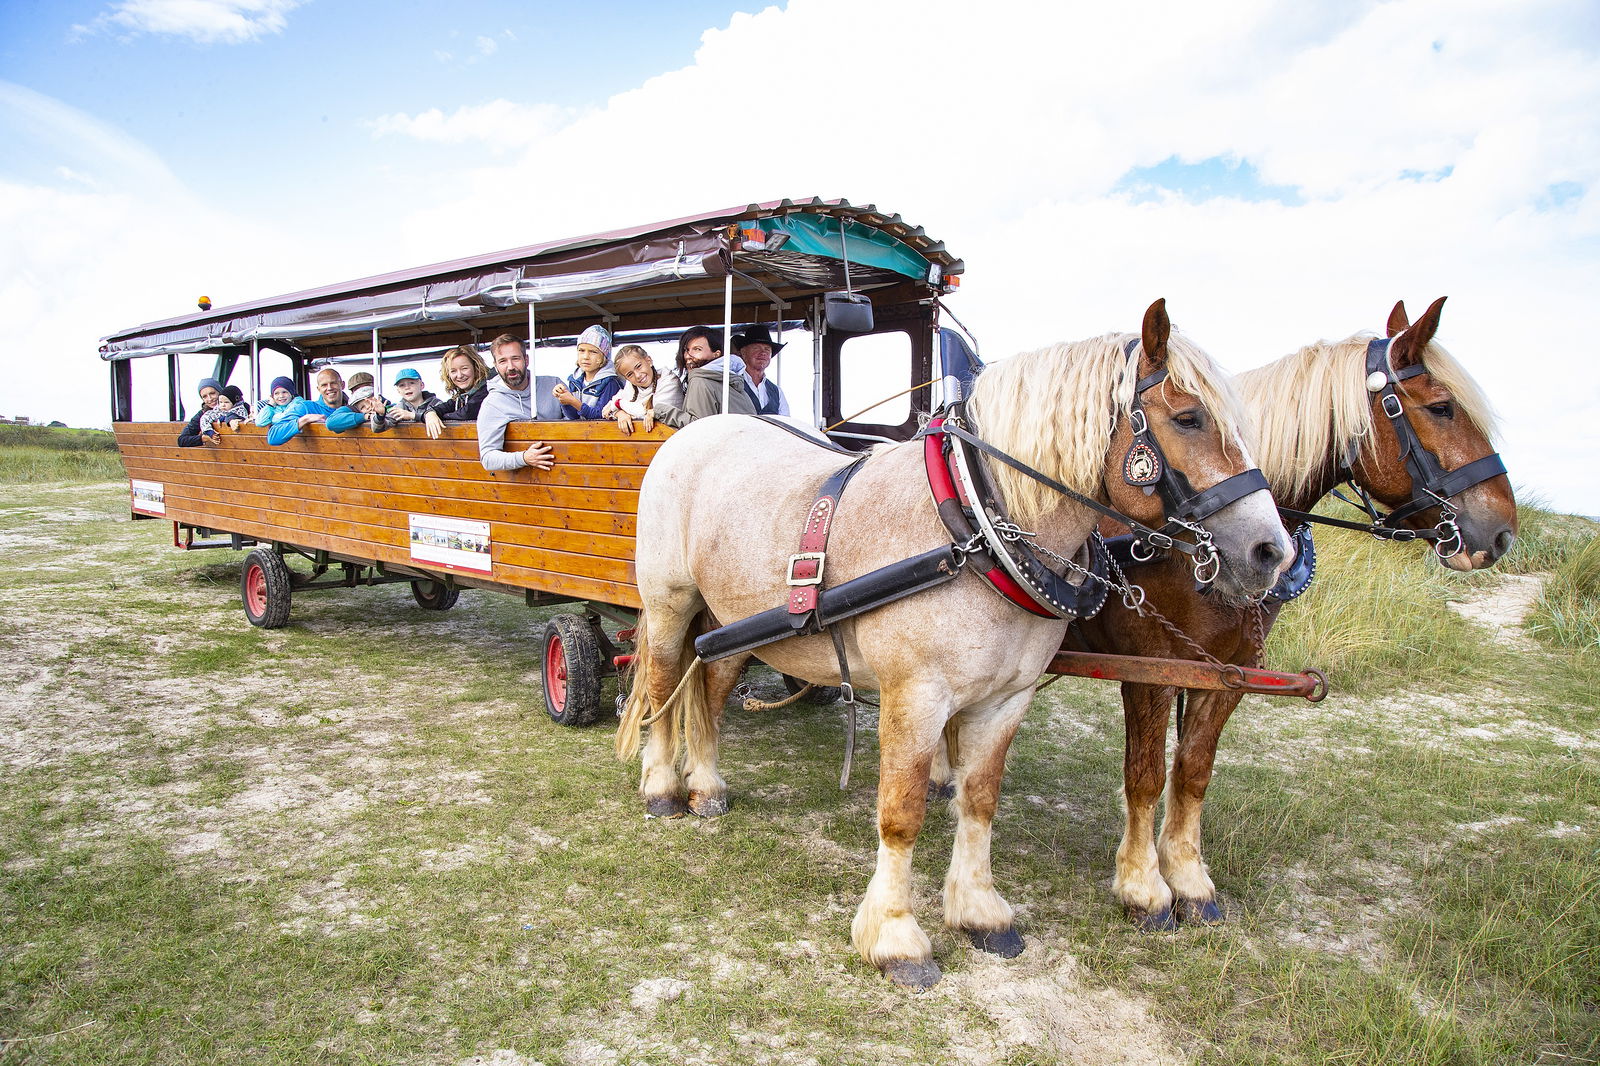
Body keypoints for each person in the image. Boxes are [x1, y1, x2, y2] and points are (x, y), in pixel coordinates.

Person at [477, 335, 555, 473]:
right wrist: (524, 458)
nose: (510, 367)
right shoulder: (492, 404)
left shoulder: (553, 384)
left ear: (526, 360)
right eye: (502, 361)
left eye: (515, 358)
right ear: (495, 366)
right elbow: (488, 458)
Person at [654, 326, 758, 428]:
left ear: (716, 354)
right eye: (687, 350)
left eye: (697, 349)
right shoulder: (727, 377)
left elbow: (699, 427)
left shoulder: (700, 380)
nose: (687, 356)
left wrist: (659, 410)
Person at [552, 324, 624, 420]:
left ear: (604, 355)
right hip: (582, 433)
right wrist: (564, 400)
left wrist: (573, 401)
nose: (586, 356)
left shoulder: (610, 382)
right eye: (581, 350)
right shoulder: (575, 380)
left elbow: (601, 416)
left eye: (593, 352)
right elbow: (573, 417)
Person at [434, 345, 491, 433]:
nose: (459, 375)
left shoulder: (487, 390)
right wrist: (430, 414)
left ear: (476, 368)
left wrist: (440, 416)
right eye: (453, 371)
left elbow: (466, 413)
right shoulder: (460, 398)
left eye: (464, 368)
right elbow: (443, 407)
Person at [734, 324, 789, 416]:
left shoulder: (777, 392)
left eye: (767, 349)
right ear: (743, 353)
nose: (763, 353)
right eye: (756, 348)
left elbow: (785, 423)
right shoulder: (732, 384)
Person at [602, 344, 658, 435]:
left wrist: (619, 403)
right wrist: (620, 413)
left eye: (638, 366)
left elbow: (644, 412)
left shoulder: (668, 380)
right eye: (629, 374)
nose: (638, 375)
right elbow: (605, 411)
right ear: (626, 379)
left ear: (649, 361)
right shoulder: (631, 386)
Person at [176, 377, 224, 447]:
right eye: (205, 397)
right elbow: (182, 440)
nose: (210, 399)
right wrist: (204, 438)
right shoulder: (202, 414)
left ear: (220, 392)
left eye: (212, 393)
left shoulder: (237, 407)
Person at [326, 385, 393, 433]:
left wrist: (381, 413)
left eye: (372, 401)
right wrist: (365, 416)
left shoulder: (392, 407)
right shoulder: (355, 411)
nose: (368, 407)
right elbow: (331, 423)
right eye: (363, 407)